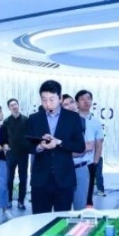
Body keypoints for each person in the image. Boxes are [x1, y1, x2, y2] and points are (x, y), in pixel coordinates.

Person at [26, 80, 85, 214]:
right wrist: (40, 146)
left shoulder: (73, 118)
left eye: (51, 99)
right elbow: (27, 146)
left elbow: (80, 146)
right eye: (44, 100)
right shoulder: (34, 118)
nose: (47, 104)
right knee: (39, 220)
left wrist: (59, 142)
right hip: (40, 180)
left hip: (64, 179)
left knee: (62, 220)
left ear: (60, 98)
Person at [76, 90, 104, 208]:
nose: (86, 101)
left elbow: (99, 143)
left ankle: (86, 214)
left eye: (88, 98)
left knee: (87, 194)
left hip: (88, 163)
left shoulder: (96, 122)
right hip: (70, 161)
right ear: (77, 103)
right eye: (82, 99)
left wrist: (95, 162)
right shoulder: (71, 119)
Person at [3, 98, 29, 210]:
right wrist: (4, 145)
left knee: (23, 178)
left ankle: (21, 201)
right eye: (11, 105)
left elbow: (30, 135)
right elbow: (3, 137)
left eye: (15, 104)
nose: (14, 106)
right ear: (9, 108)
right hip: (11, 154)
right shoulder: (6, 121)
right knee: (9, 178)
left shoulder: (26, 120)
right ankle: (8, 200)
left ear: (18, 105)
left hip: (23, 153)